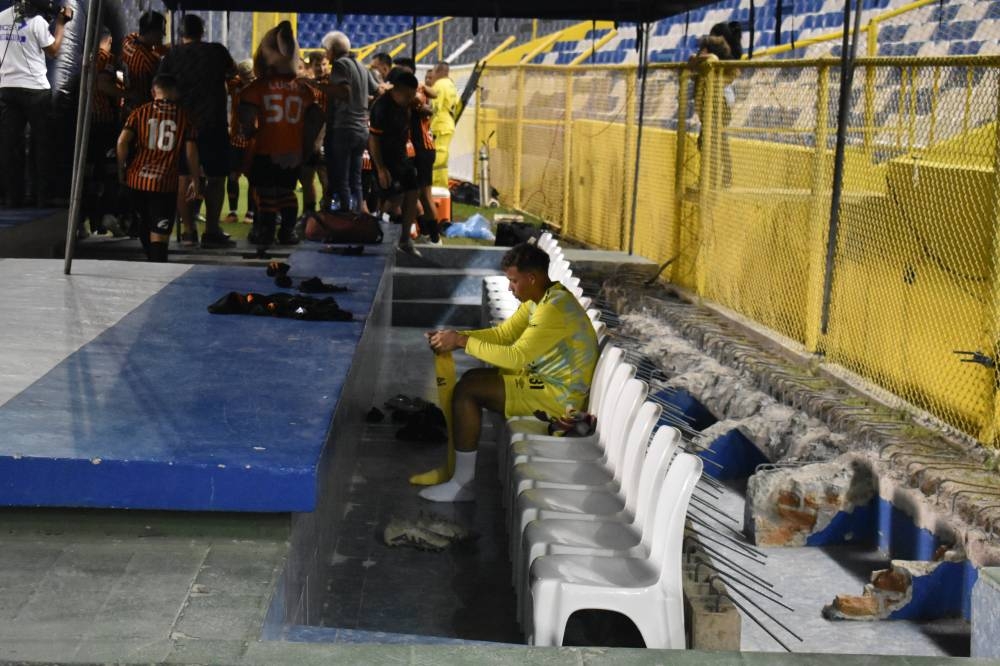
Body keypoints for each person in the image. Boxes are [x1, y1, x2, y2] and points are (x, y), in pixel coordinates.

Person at [423, 242, 599, 502]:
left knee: (468, 391)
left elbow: (516, 357)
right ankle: (461, 477)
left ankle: (463, 484)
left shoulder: (554, 309)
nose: (509, 288)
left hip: (561, 399)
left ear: (532, 277)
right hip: (545, 383)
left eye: (514, 281)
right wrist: (456, 337)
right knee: (472, 379)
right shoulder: (540, 299)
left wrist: (460, 342)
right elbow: (504, 335)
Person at [239, 23, 323, 251]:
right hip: (293, 150)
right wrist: (308, 145)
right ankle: (287, 231)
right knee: (287, 193)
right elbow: (315, 116)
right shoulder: (302, 89)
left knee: (265, 192)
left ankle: (265, 232)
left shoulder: (259, 87)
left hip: (266, 147)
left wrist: (248, 132)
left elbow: (246, 117)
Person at [158, 13, 237, 249]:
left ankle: (187, 231)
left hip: (183, 123)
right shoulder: (217, 51)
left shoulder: (171, 55)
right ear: (202, 31)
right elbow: (232, 72)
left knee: (183, 177)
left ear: (181, 33)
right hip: (213, 122)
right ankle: (211, 230)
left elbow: (161, 84)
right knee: (216, 177)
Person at [116, 74, 200, 263]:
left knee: (145, 226)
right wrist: (195, 179)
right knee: (159, 233)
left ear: (153, 91)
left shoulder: (140, 112)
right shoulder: (183, 116)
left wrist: (122, 169)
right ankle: (156, 272)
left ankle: (150, 265)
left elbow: (122, 142)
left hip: (137, 180)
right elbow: (191, 153)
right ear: (175, 92)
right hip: (164, 184)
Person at [0, 0, 73, 208]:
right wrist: (60, 25)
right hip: (36, 90)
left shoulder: (1, 17)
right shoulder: (38, 21)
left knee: (9, 146)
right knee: (42, 145)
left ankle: (12, 198)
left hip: (7, 88)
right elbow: (54, 50)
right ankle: (42, 198)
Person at [322, 30, 378, 213]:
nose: (325, 54)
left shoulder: (340, 64)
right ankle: (357, 216)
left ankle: (346, 215)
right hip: (362, 128)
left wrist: (322, 88)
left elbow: (343, 92)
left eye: (326, 50)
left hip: (344, 127)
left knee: (342, 178)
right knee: (356, 179)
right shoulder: (361, 66)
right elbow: (377, 91)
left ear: (332, 49)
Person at [368, 67, 420, 254]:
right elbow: (373, 140)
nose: (410, 99)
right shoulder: (382, 107)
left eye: (412, 95)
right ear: (396, 90)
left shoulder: (407, 104)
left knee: (413, 191)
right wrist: (381, 168)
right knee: (393, 197)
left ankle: (405, 239)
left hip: (401, 157)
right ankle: (378, 224)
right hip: (384, 158)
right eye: (407, 95)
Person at [82, 27, 127, 237]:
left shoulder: (82, 59)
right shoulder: (106, 58)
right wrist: (128, 94)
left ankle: (89, 220)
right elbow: (103, 85)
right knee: (110, 171)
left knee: (89, 174)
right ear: (108, 40)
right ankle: (108, 214)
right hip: (103, 123)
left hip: (85, 123)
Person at [393, 57, 439, 244]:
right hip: (417, 149)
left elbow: (425, 103)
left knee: (424, 195)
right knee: (413, 194)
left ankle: (434, 237)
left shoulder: (415, 94)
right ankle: (425, 233)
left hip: (422, 149)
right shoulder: (415, 90)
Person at [689, 34, 734, 188]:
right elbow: (691, 59)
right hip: (712, 111)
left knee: (711, 144)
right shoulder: (706, 65)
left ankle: (711, 181)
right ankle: (723, 178)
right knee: (715, 142)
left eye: (702, 49)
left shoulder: (714, 64)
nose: (699, 52)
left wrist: (703, 57)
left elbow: (712, 57)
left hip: (718, 109)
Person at [225, 59, 255, 225]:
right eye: (245, 76)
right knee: (232, 176)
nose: (249, 79)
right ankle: (233, 211)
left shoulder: (259, 87)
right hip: (236, 138)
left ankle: (250, 212)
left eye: (251, 75)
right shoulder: (235, 85)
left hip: (254, 140)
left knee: (253, 178)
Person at [120, 11, 166, 116]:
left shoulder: (128, 40)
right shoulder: (149, 61)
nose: (163, 36)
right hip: (142, 111)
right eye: (161, 32)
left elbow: (152, 48)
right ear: (152, 32)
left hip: (126, 107)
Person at [429, 62, 458, 188]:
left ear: (440, 71)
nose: (432, 76)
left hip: (439, 125)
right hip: (448, 124)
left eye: (433, 73)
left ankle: (435, 185)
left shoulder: (439, 86)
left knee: (437, 158)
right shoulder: (451, 85)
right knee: (443, 159)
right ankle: (442, 186)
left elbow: (434, 108)